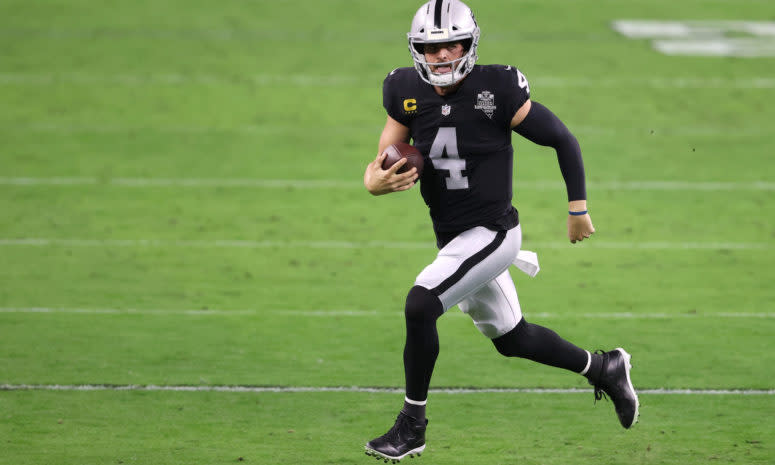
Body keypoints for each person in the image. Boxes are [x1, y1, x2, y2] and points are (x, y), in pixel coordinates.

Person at [362, 0, 639, 462]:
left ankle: (412, 426)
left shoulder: (497, 88)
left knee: (420, 304)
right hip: (454, 237)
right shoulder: (404, 90)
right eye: (431, 48)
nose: (443, 56)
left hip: (492, 231)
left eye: (452, 45)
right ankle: (605, 367)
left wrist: (578, 209)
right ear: (417, 51)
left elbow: (561, 139)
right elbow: (383, 162)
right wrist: (374, 181)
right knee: (513, 339)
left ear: (470, 45)